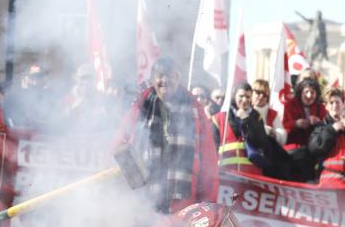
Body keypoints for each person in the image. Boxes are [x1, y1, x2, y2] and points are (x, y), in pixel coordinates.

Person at [114, 57, 218, 213]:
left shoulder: (195, 108)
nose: (165, 80)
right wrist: (135, 181)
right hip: (146, 197)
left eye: (170, 75)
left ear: (178, 78)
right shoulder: (141, 104)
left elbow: (208, 159)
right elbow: (119, 145)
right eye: (160, 75)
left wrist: (208, 203)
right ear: (152, 79)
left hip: (183, 200)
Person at [212, 82, 272, 176]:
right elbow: (212, 148)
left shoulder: (256, 117)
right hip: (226, 174)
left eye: (248, 97)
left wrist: (246, 120)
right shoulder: (219, 118)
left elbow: (261, 142)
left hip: (252, 174)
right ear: (234, 96)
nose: (244, 100)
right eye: (241, 96)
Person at [282, 78, 327, 182]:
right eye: (306, 92)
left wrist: (318, 122)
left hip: (313, 149)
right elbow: (283, 126)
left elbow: (327, 128)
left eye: (312, 92)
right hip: (294, 148)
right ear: (300, 92)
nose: (309, 95)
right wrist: (295, 124)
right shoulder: (290, 105)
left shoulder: (321, 108)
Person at [251, 78, 284, 145]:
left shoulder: (273, 113)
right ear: (251, 93)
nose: (261, 96)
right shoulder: (247, 111)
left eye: (265, 94)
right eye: (258, 92)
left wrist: (275, 134)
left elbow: (281, 134)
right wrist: (266, 130)